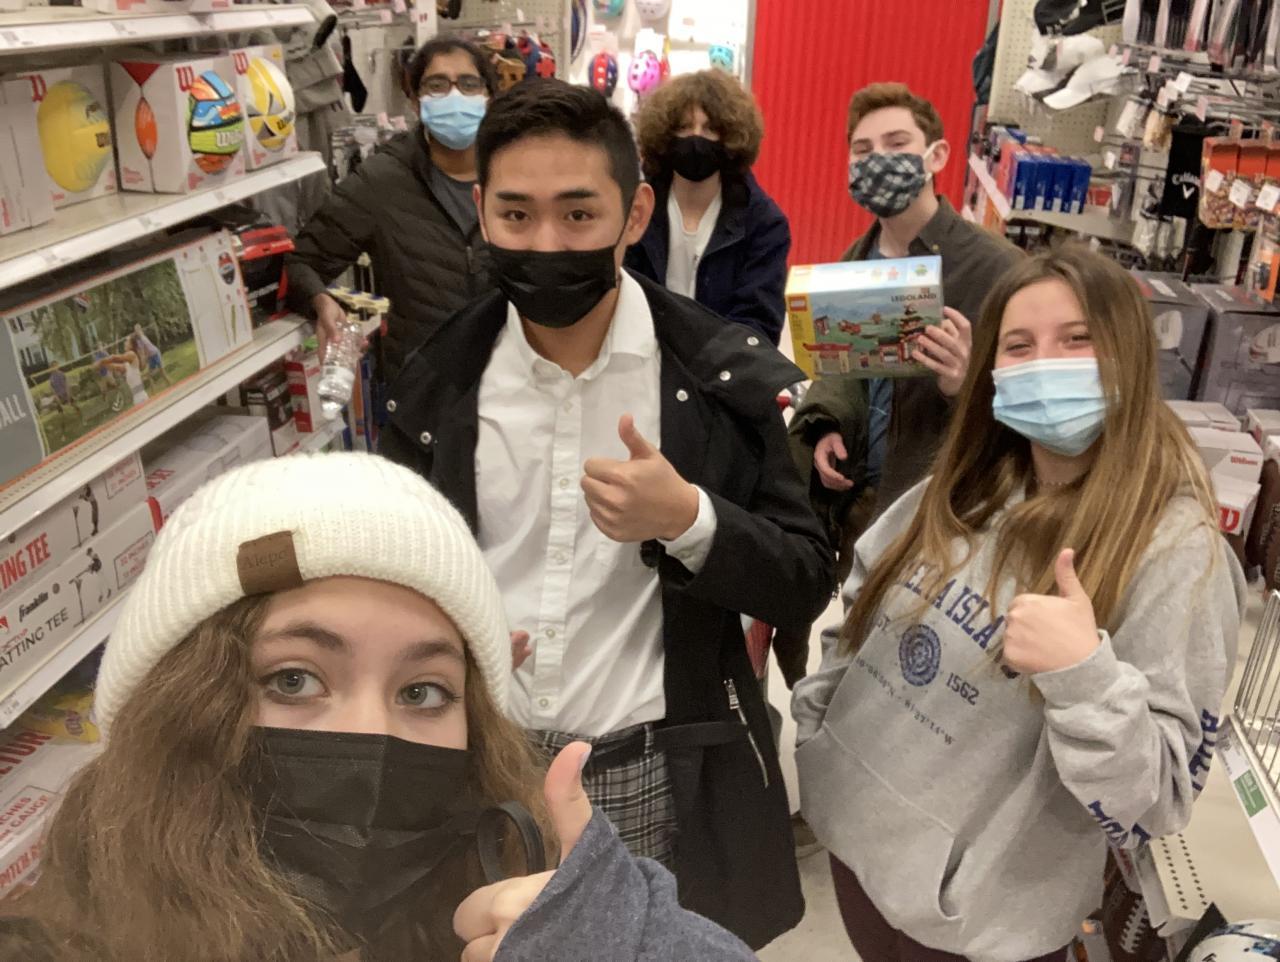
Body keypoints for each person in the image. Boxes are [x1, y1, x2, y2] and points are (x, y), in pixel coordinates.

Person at [378, 79, 834, 949]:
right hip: (477, 760)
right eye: (516, 215)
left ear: (635, 214)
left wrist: (690, 519)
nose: (546, 243)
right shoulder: (439, 380)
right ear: (481, 210)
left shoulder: (718, 379)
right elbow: (389, 566)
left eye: (579, 214)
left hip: (646, 768)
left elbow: (804, 577)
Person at [0, 454, 756, 962]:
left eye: (422, 691)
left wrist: (624, 941)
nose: (369, 735)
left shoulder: (521, 918)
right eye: (293, 680)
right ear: (176, 707)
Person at [792, 244, 1246, 962]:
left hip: (975, 924)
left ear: (1130, 356)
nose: (1045, 366)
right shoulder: (966, 483)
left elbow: (1158, 800)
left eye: (1077, 340)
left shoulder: (1176, 552)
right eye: (1019, 346)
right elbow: (861, 602)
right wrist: (820, 733)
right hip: (857, 850)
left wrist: (1084, 677)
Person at [790, 82, 1022, 560]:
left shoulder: (999, 270)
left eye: (897, 144)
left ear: (937, 156)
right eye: (863, 150)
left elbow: (1030, 419)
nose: (878, 159)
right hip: (860, 507)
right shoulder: (854, 260)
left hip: (945, 518)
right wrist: (827, 423)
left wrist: (966, 384)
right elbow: (839, 371)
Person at [284, 38, 498, 381]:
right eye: (437, 85)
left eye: (469, 84)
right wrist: (321, 302)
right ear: (415, 100)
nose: (455, 95)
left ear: (488, 97)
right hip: (422, 389)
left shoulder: (517, 175)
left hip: (513, 381)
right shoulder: (381, 181)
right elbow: (302, 262)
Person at [625, 70, 790, 346]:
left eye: (710, 129)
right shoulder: (634, 209)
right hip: (641, 358)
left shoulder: (763, 223)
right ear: (665, 134)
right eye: (683, 127)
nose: (696, 138)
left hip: (724, 367)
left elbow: (759, 324)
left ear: (730, 138)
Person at [131, 324, 171, 389]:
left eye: (138, 330)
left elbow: (144, 352)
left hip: (155, 354)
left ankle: (169, 384)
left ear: (140, 330)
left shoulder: (142, 337)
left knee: (162, 371)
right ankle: (154, 388)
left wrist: (144, 360)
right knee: (150, 374)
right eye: (136, 330)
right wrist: (144, 361)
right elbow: (143, 352)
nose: (137, 332)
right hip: (151, 357)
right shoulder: (139, 340)